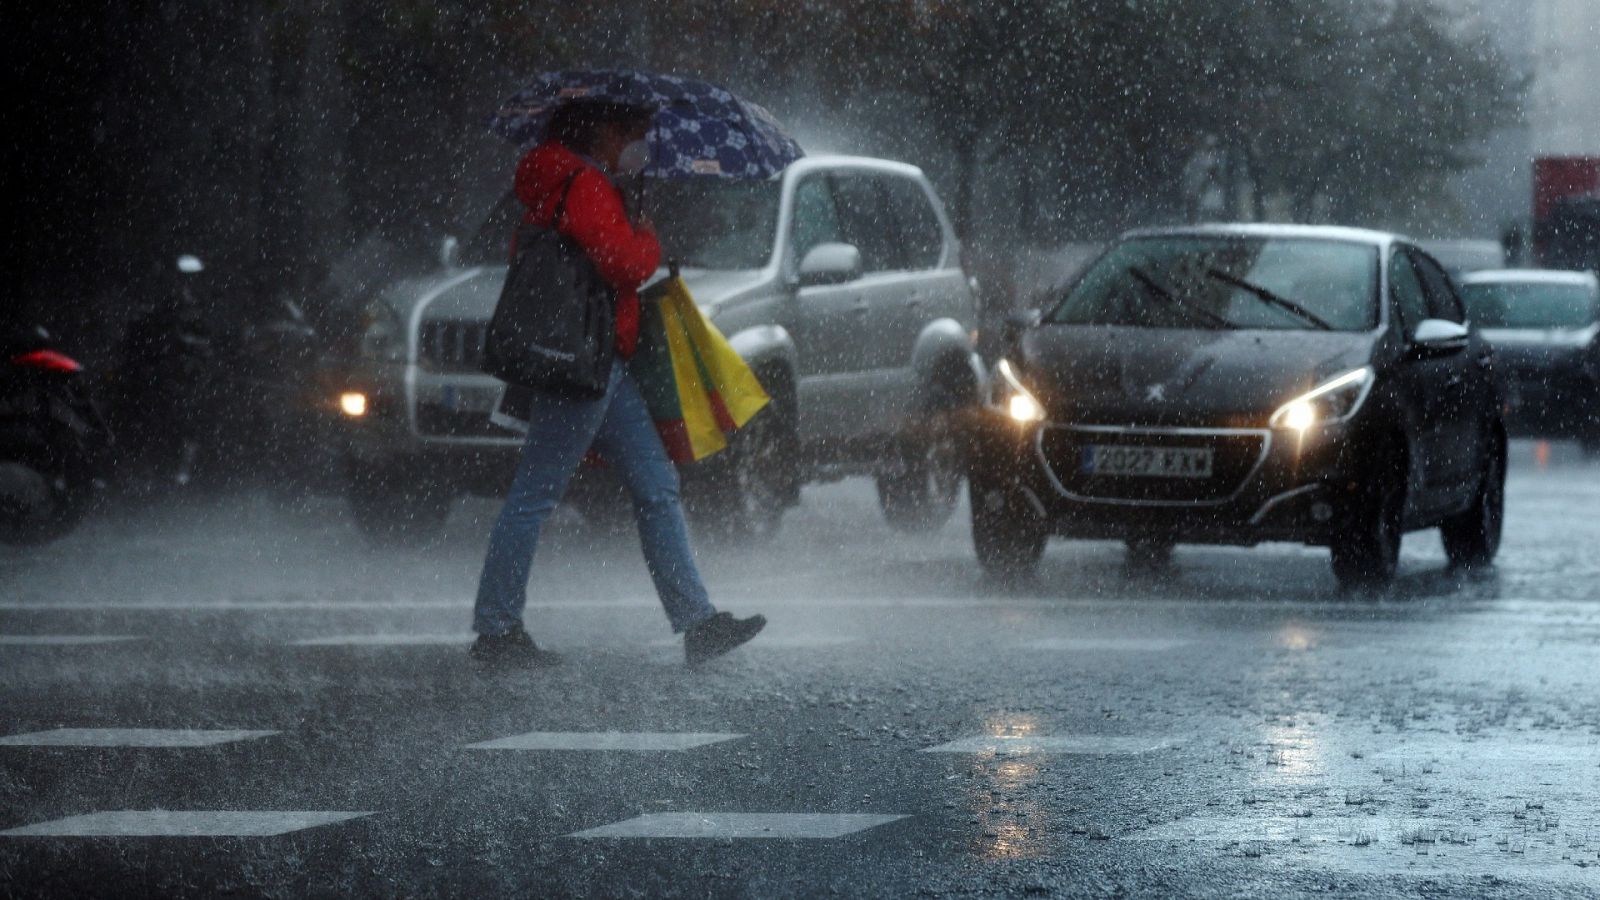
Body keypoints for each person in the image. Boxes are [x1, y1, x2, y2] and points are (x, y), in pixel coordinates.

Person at [471, 100, 765, 668]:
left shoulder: (575, 180)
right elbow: (623, 264)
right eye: (635, 132)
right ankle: (496, 629)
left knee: (656, 486)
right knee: (534, 494)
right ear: (605, 130)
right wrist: (649, 239)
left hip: (600, 362)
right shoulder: (584, 184)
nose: (641, 145)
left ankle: (698, 622)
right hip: (582, 364)